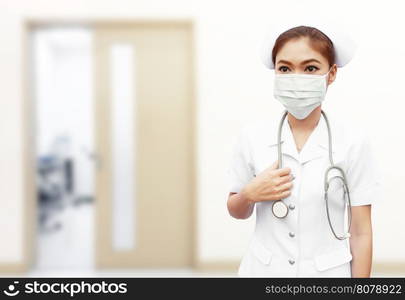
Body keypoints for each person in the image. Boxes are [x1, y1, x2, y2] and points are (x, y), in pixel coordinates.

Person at [227, 25, 381, 277]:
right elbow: (236, 210)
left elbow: (362, 232)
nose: (296, 77)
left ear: (331, 74)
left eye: (310, 68)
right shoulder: (252, 136)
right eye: (285, 68)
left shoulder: (353, 142)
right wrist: (250, 193)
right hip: (264, 272)